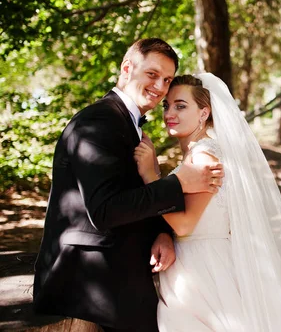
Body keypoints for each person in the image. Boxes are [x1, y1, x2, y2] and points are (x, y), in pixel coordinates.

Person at [33, 39, 224, 332]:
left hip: (123, 265)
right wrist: (178, 183)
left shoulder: (128, 124)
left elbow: (131, 197)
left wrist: (160, 232)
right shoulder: (98, 122)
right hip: (87, 274)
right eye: (152, 74)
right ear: (127, 68)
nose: (160, 87)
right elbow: (106, 210)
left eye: (167, 79)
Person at [134, 73, 281, 331]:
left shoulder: (204, 156)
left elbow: (184, 225)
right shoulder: (197, 153)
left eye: (181, 105)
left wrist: (150, 175)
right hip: (192, 264)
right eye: (167, 105)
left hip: (203, 267)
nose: (170, 112)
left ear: (204, 113)